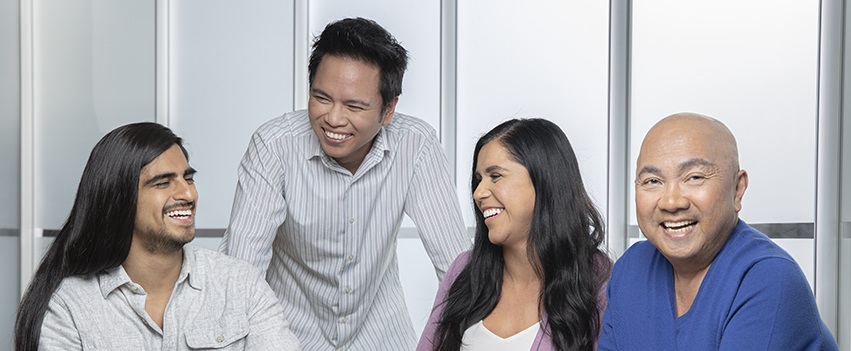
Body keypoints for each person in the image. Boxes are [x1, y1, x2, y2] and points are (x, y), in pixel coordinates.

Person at [219, 17, 470, 350]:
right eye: (322, 98)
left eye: (354, 106)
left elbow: (454, 266)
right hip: (288, 334)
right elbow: (241, 273)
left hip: (381, 335)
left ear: (389, 109)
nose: (334, 119)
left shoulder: (416, 145)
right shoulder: (274, 146)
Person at [14, 122, 300, 350]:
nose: (187, 194)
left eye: (188, 178)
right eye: (163, 183)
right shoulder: (71, 306)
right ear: (120, 199)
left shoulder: (240, 283)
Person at [598, 113, 838, 350]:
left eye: (694, 177)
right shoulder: (631, 268)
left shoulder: (768, 277)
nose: (671, 202)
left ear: (737, 189)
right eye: (652, 181)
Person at [417, 118, 612, 351]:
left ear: (545, 180)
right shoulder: (463, 270)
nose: (478, 193)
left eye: (496, 176)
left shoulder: (598, 278)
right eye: (478, 180)